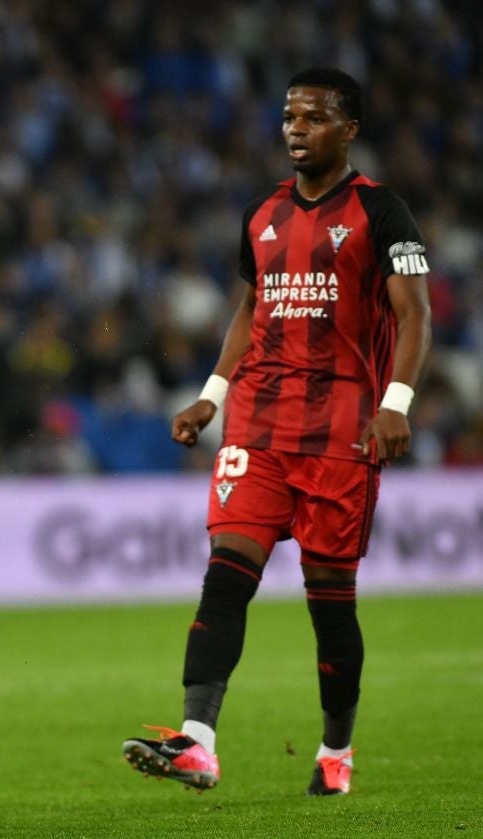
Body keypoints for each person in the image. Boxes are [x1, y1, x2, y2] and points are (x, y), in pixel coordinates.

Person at [122, 68, 432, 796]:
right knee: (226, 575)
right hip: (257, 426)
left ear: (348, 129)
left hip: (341, 434)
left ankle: (336, 752)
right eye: (290, 116)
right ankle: (197, 740)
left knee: (330, 605)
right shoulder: (261, 214)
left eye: (314, 117)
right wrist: (211, 396)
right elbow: (249, 312)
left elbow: (415, 314)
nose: (296, 128)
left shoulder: (384, 213)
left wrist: (398, 402)